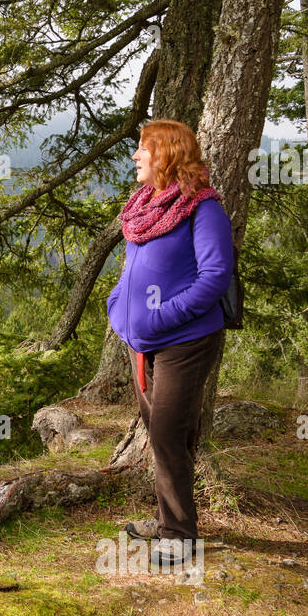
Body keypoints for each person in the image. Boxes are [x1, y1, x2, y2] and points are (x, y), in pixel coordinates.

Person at [104, 119, 233, 567]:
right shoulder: (145, 206)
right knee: (165, 433)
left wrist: (162, 316)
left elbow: (215, 277)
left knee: (166, 434)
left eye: (144, 150)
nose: (136, 157)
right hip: (143, 343)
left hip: (185, 341)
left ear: (167, 154)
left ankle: (179, 537)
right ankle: (167, 520)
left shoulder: (203, 209)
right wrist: (117, 307)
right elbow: (131, 271)